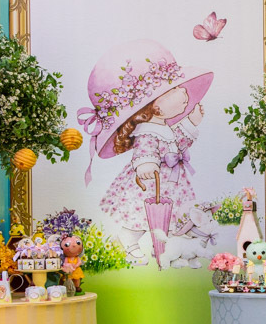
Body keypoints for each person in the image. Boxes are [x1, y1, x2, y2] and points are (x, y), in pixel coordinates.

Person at [78, 39, 213, 266]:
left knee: (171, 216)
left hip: (170, 183)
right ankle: (128, 241)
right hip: (149, 184)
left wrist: (191, 123)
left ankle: (166, 249)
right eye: (174, 89)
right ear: (154, 107)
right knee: (140, 217)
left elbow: (176, 144)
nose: (183, 91)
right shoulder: (147, 131)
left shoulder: (164, 128)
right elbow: (146, 149)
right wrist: (146, 164)